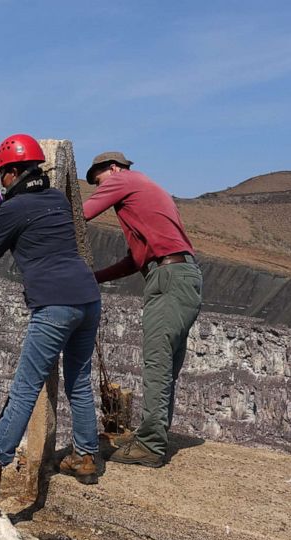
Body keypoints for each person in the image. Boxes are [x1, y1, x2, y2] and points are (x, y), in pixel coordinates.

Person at [0, 134, 102, 494]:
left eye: (2, 177)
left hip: (54, 304)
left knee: (26, 386)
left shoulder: (13, 209)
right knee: (78, 378)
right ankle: (86, 455)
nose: (0, 183)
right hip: (88, 299)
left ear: (12, 173)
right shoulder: (58, 200)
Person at [83, 151, 202, 468]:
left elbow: (82, 214)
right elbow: (135, 261)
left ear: (112, 169)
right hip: (181, 276)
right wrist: (95, 278)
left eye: (99, 182)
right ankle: (153, 437)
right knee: (166, 364)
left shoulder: (124, 179)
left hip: (168, 277)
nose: (100, 190)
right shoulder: (149, 191)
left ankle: (150, 447)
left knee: (157, 363)